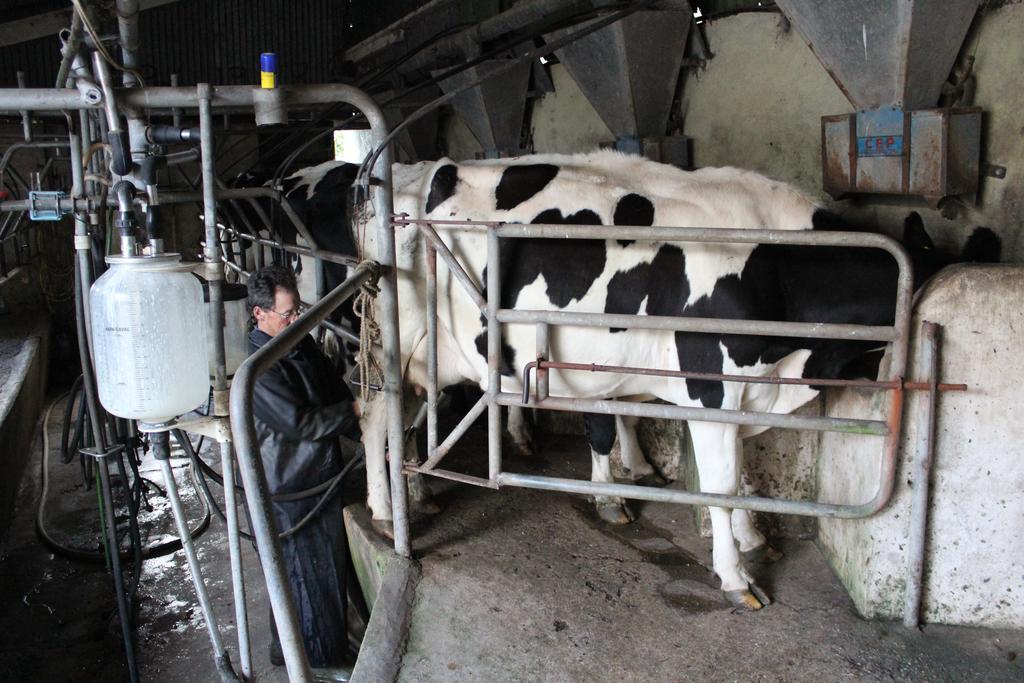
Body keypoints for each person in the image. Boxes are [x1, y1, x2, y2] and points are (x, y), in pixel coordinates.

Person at [246, 264, 361, 668]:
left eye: (299, 311)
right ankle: (320, 663)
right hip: (292, 485)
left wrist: (366, 432)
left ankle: (293, 650)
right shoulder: (258, 370)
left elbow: (333, 388)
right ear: (259, 314)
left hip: (320, 474)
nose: (297, 321)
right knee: (307, 577)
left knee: (323, 571)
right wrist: (355, 409)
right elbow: (302, 423)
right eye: (288, 314)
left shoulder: (298, 342)